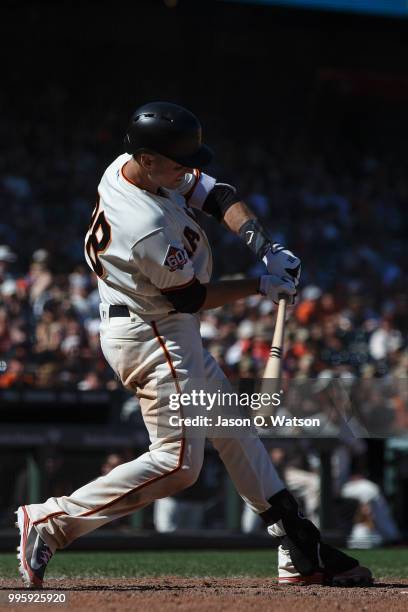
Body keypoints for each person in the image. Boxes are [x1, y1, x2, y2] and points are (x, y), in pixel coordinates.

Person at [16, 101, 372, 588]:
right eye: (177, 162)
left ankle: (297, 545)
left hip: (164, 325)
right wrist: (259, 285)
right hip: (152, 331)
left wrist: (265, 247)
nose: (188, 170)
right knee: (179, 463)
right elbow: (192, 298)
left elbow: (218, 193)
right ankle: (52, 521)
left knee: (235, 433)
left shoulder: (136, 168)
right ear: (147, 159)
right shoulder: (143, 225)